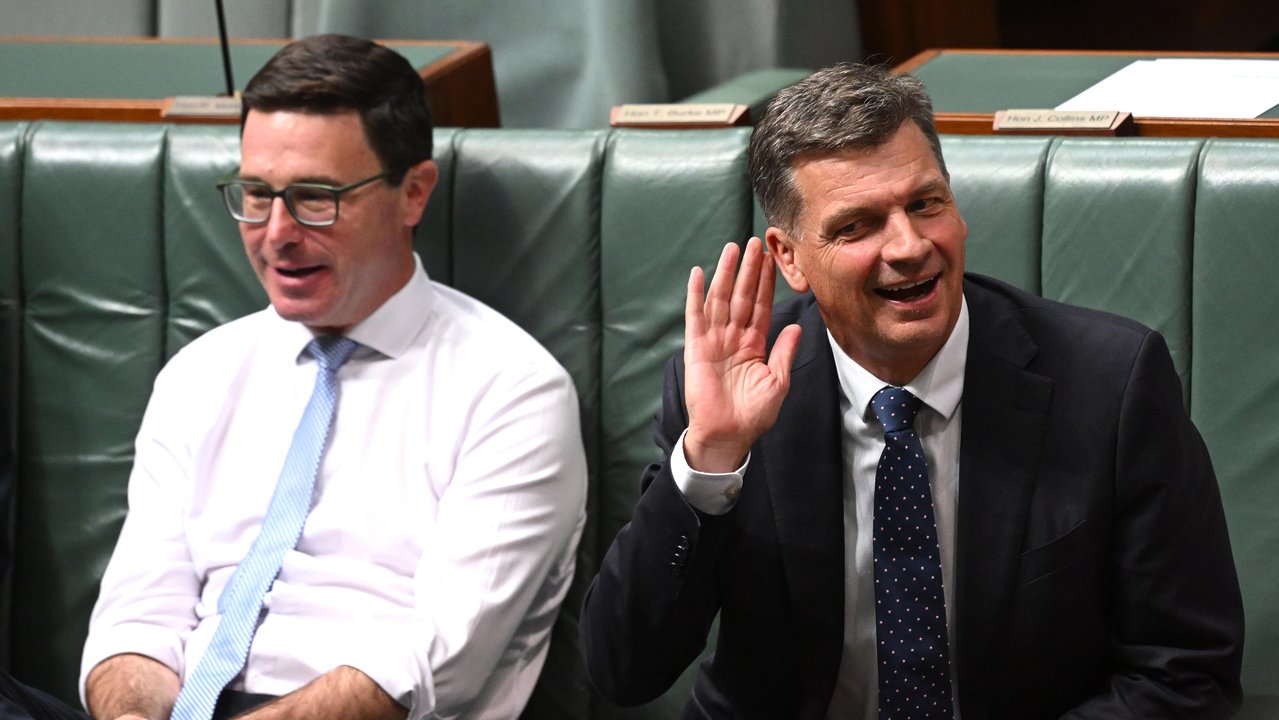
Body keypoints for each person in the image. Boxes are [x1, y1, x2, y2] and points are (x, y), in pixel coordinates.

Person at [581, 63, 1243, 719]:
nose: (908, 246)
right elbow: (624, 670)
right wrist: (710, 459)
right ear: (789, 258)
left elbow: (1186, 673)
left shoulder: (1109, 384)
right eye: (857, 225)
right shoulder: (729, 393)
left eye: (925, 204)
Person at [1, 33, 587, 720]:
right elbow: (138, 616)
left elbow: (432, 663)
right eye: (256, 194)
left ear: (412, 193)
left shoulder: (510, 390)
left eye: (315, 198)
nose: (275, 232)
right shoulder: (201, 373)